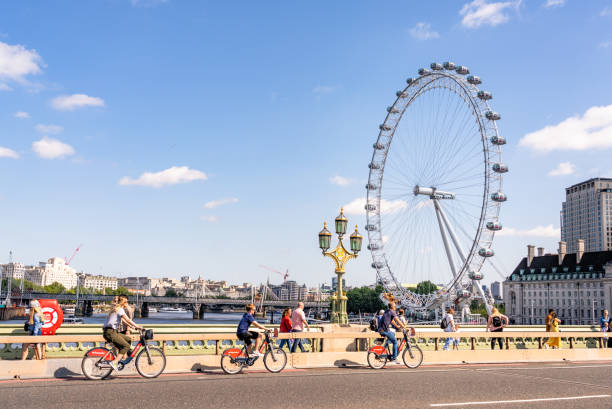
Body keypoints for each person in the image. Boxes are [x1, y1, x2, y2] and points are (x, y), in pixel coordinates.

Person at [102, 295, 143, 369]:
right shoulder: (120, 310)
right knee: (126, 346)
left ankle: (120, 356)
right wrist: (138, 326)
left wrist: (132, 327)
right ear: (124, 302)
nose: (127, 304)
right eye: (126, 302)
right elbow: (128, 320)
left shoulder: (115, 309)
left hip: (109, 332)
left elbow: (123, 321)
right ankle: (114, 362)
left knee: (128, 339)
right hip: (111, 332)